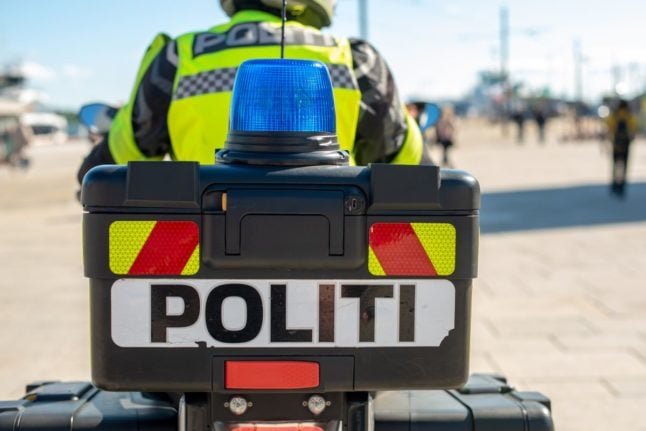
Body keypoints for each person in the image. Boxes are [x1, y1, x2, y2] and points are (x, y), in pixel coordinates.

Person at [77, 0, 427, 183]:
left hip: (198, 265)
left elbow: (123, 155)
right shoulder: (356, 60)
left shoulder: (179, 56)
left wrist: (90, 168)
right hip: (334, 263)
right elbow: (413, 169)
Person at [606, 99, 638, 197]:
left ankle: (614, 185)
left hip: (616, 145)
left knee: (615, 166)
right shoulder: (630, 116)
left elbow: (609, 130)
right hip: (626, 145)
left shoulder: (614, 116)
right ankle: (622, 187)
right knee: (624, 166)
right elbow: (633, 132)